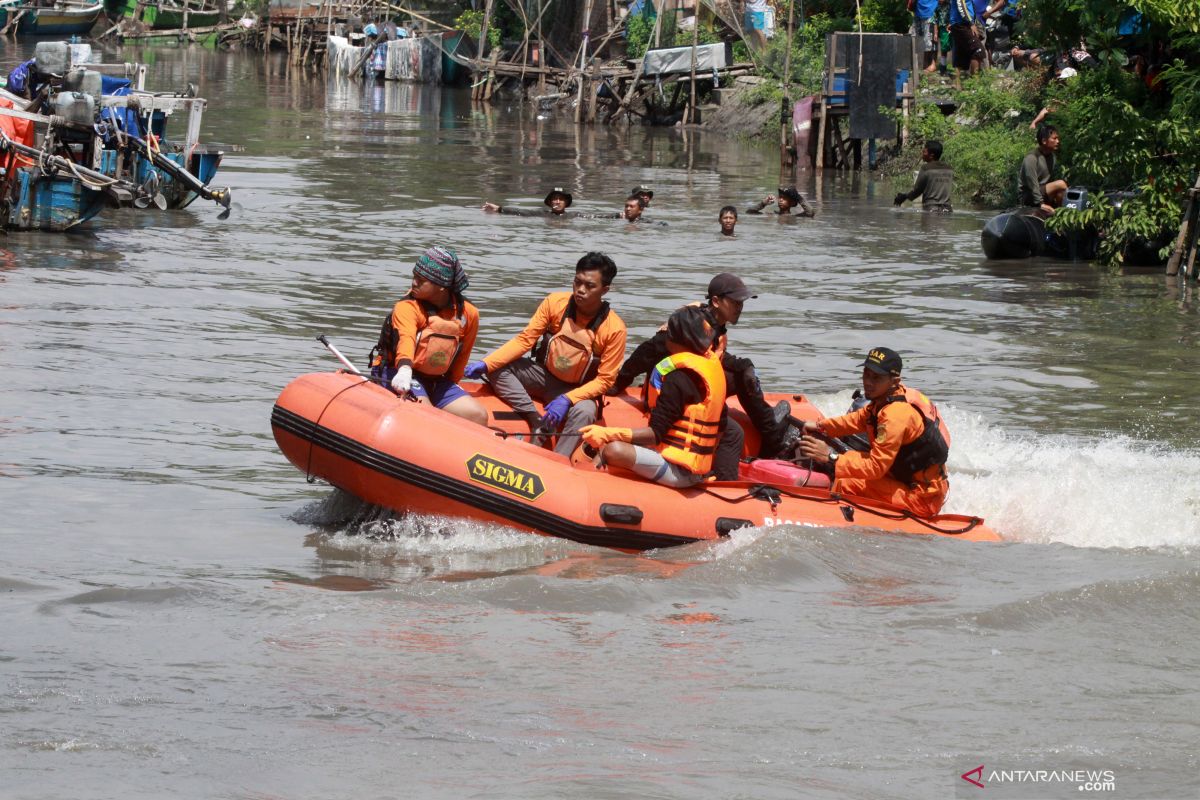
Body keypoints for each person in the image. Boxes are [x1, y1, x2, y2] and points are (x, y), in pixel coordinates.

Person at [607, 273, 796, 459]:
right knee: (736, 420)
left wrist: (743, 365)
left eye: (742, 303)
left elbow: (715, 356)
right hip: (674, 393)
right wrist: (619, 383)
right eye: (736, 302)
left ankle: (770, 434)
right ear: (716, 301)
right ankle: (773, 438)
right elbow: (647, 351)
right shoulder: (689, 325)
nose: (740, 308)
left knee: (744, 372)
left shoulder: (716, 327)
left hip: (693, 385)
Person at [464, 252, 627, 456]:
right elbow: (525, 340)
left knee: (585, 412)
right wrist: (486, 363)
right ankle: (536, 420)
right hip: (542, 375)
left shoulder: (614, 329)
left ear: (605, 290)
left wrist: (567, 399)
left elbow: (605, 380)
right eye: (577, 282)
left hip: (577, 389)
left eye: (590, 286)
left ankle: (558, 459)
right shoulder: (555, 303)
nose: (580, 290)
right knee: (499, 367)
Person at [581, 306, 733, 488]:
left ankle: (587, 488)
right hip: (694, 468)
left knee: (613, 449)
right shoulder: (710, 372)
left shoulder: (677, 379)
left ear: (675, 339)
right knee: (617, 443)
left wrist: (608, 433)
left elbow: (655, 434)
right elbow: (721, 425)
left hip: (680, 471)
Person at [795, 347, 950, 517]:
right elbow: (858, 419)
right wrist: (820, 426)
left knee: (845, 481)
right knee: (848, 461)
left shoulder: (895, 415)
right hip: (901, 479)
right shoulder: (885, 399)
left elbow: (876, 468)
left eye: (876, 378)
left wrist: (830, 457)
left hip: (921, 497)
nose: (868, 382)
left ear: (894, 380)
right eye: (866, 374)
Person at [368, 246, 489, 426]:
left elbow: (462, 355)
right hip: (398, 370)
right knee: (426, 414)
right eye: (414, 276)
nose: (413, 283)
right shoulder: (407, 307)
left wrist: (451, 384)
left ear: (441, 287)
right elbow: (406, 339)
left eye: (421, 280)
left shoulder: (468, 314)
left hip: (437, 380)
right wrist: (404, 370)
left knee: (479, 415)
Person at [1018, 125, 1068, 215]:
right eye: (1054, 138)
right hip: (1029, 196)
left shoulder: (1052, 157)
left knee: (1061, 190)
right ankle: (1058, 214)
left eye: (1058, 138)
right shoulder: (1031, 158)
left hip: (1043, 192)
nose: (1058, 141)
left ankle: (1061, 215)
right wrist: (1041, 204)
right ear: (1044, 141)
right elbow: (1032, 185)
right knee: (1061, 184)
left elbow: (1050, 181)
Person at [893, 140, 954, 212]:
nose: (922, 154)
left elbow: (917, 190)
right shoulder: (949, 169)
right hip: (948, 209)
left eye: (924, 152)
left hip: (931, 209)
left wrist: (904, 197)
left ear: (931, 155)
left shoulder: (926, 168)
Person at [948, 0, 986, 86]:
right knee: (978, 50)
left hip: (959, 23)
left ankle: (957, 85)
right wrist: (971, 23)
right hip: (962, 24)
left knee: (961, 53)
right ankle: (974, 84)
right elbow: (960, 3)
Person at [482, 187, 575, 217]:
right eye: (555, 198)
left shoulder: (574, 215)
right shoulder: (542, 213)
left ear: (566, 202)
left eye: (561, 199)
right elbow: (521, 211)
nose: (558, 202)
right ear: (550, 202)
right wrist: (499, 209)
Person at [745, 186, 815, 218]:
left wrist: (798, 197)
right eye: (780, 197)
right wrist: (763, 203)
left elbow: (810, 212)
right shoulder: (772, 215)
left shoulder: (795, 217)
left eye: (784, 198)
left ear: (792, 203)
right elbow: (749, 212)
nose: (781, 200)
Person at [911, 0, 939, 73]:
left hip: (930, 12)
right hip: (918, 12)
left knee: (931, 39)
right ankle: (925, 64)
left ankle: (933, 64)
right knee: (916, 38)